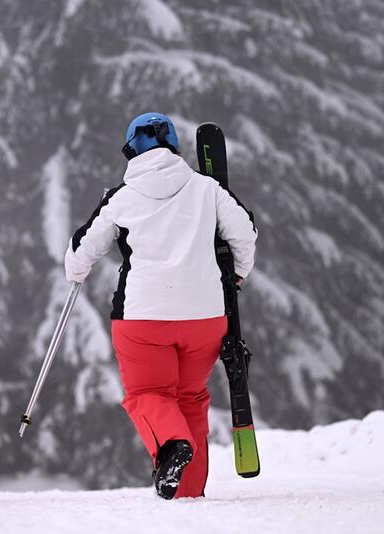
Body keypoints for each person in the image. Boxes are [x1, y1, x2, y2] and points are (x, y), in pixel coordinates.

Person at [64, 112, 257, 499]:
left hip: (143, 319)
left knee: (147, 395)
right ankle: (187, 495)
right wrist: (236, 275)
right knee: (190, 398)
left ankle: (170, 445)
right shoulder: (208, 188)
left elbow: (79, 257)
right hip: (205, 317)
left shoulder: (121, 197)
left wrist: (78, 267)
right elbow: (245, 233)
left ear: (131, 150)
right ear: (174, 145)